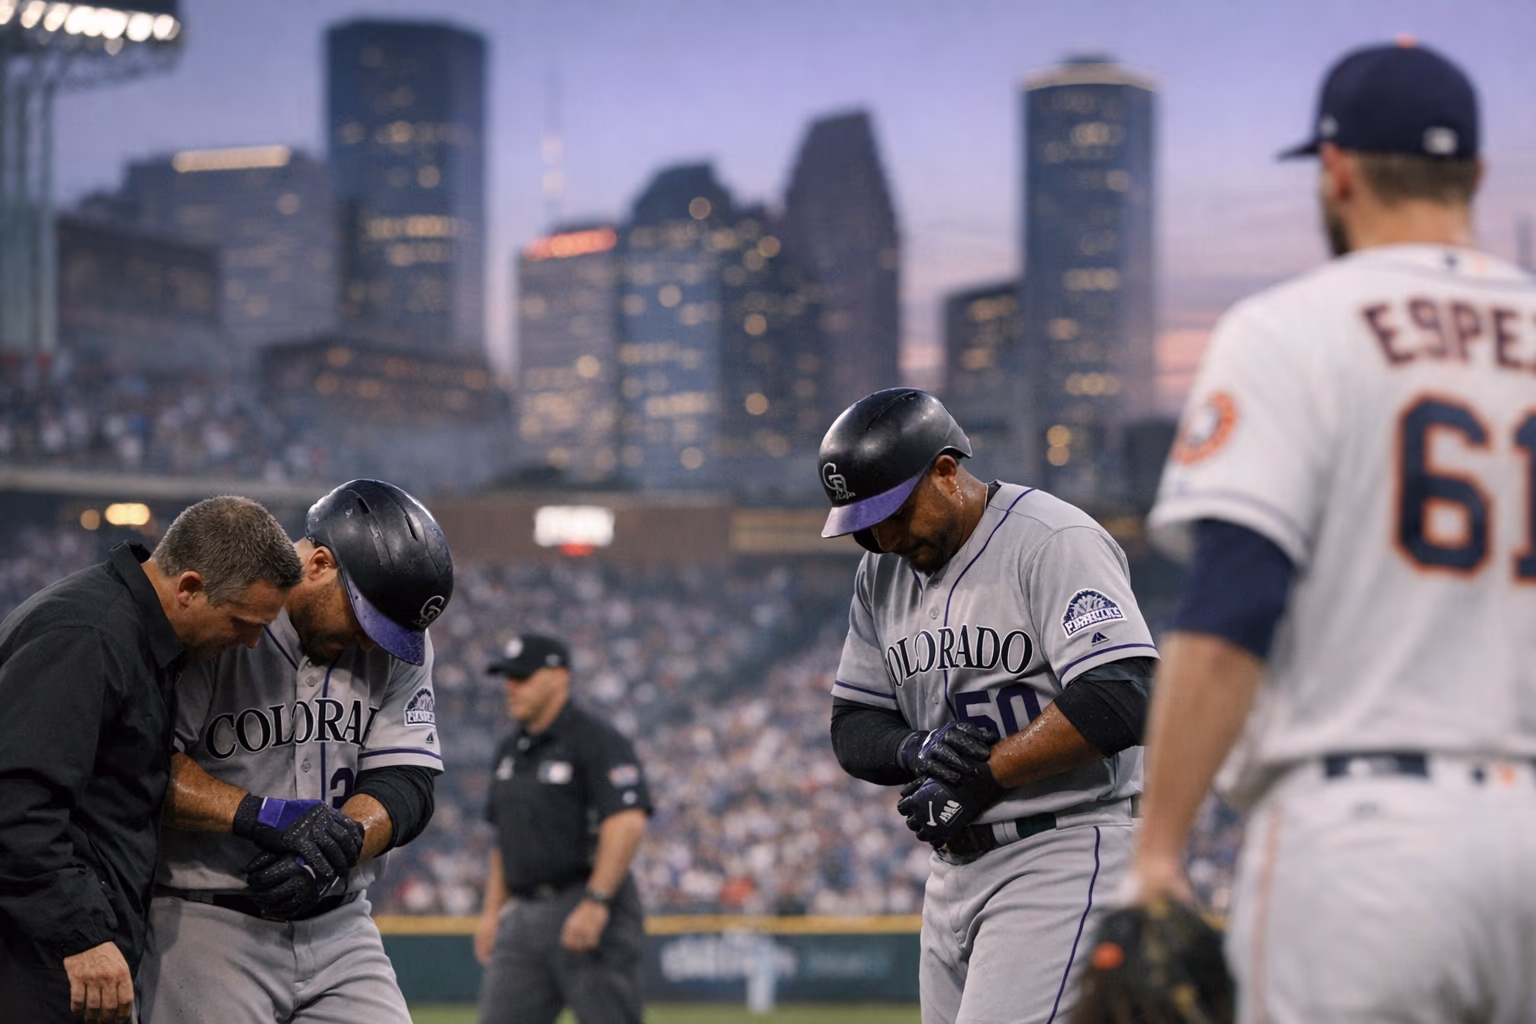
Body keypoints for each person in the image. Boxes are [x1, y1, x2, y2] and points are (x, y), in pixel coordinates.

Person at [1127, 41, 1536, 1022]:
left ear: (1335, 170)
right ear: (1475, 175)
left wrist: (1156, 854)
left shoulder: (1292, 329)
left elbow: (1233, 607)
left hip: (1362, 840)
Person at [820, 387, 1159, 1024]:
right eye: (864, 523)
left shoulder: (1052, 538)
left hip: (1062, 849)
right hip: (951, 868)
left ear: (946, 470)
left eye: (893, 510)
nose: (883, 535)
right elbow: (852, 724)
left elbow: (1124, 691)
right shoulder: (880, 574)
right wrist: (913, 749)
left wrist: (984, 776)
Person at [137, 479, 455, 1024]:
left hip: (341, 925)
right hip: (202, 920)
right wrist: (261, 816)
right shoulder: (226, 616)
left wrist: (334, 847)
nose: (371, 644)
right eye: (366, 621)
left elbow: (407, 782)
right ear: (320, 564)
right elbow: (146, 770)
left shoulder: (398, 638)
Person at [0, 496, 301, 1024]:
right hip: (38, 958)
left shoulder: (136, 635)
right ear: (188, 588)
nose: (252, 642)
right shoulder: (89, 635)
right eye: (241, 621)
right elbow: (16, 802)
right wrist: (82, 935)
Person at [475, 633, 652, 1024]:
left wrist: (597, 901)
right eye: (507, 677)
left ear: (559, 677)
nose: (511, 687)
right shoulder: (509, 750)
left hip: (585, 903)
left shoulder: (596, 738)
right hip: (522, 916)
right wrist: (491, 913)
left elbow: (626, 820)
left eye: (521, 677)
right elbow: (504, 839)